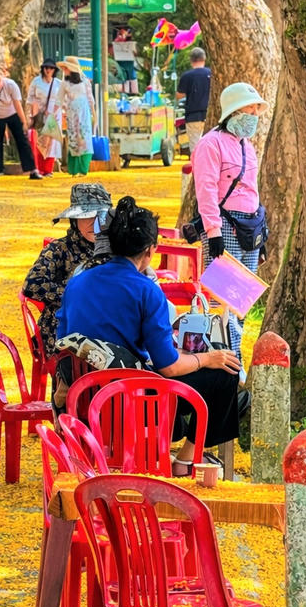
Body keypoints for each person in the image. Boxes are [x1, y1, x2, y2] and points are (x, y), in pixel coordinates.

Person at [58, 196, 243, 473]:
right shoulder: (147, 290)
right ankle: (186, 459)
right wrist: (207, 358)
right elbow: (168, 367)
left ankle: (178, 449)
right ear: (150, 250)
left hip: (86, 395)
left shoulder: (77, 283)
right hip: (134, 400)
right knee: (225, 372)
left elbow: (63, 342)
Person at [192, 81, 268, 360]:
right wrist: (213, 232)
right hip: (223, 227)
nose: (254, 115)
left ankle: (235, 359)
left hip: (250, 227)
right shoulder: (210, 144)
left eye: (256, 109)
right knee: (223, 300)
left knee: (242, 299)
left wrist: (263, 234)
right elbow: (206, 190)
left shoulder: (248, 147)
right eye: (249, 108)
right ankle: (226, 360)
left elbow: (252, 190)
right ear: (234, 111)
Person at [23, 183, 112, 349]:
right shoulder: (59, 249)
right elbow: (32, 285)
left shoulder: (116, 249)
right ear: (74, 219)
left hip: (105, 330)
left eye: (100, 216)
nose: (94, 223)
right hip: (62, 334)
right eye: (87, 216)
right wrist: (78, 296)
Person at [0, 66, 40, 181]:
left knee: (22, 140)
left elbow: (17, 104)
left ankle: (32, 170)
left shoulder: (10, 84)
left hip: (12, 114)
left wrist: (23, 121)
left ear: (1, 74)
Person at [58, 58, 95, 176]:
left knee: (85, 139)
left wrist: (94, 114)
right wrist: (54, 112)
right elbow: (59, 99)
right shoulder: (64, 83)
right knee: (73, 140)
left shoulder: (85, 81)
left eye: (66, 67)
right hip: (72, 113)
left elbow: (90, 98)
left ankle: (83, 169)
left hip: (84, 113)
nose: (64, 70)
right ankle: (73, 170)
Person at [26, 59, 63, 175]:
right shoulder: (36, 81)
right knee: (39, 141)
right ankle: (38, 167)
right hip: (39, 113)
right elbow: (30, 98)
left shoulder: (58, 83)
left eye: (51, 68)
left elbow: (62, 99)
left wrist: (53, 112)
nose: (48, 70)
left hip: (54, 114)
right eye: (46, 68)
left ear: (54, 70)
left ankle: (48, 169)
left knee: (51, 142)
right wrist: (33, 114)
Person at [175, 47, 212, 151]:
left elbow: (179, 95)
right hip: (210, 114)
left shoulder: (187, 76)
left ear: (191, 60)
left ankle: (197, 167)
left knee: (196, 148)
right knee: (211, 146)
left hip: (193, 116)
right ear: (204, 59)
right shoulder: (212, 73)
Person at [112, 27, 138, 94]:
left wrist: (133, 52)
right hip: (121, 62)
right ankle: (125, 92)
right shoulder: (117, 41)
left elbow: (135, 53)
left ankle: (133, 92)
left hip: (129, 62)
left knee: (131, 76)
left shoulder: (131, 42)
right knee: (124, 76)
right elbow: (113, 52)